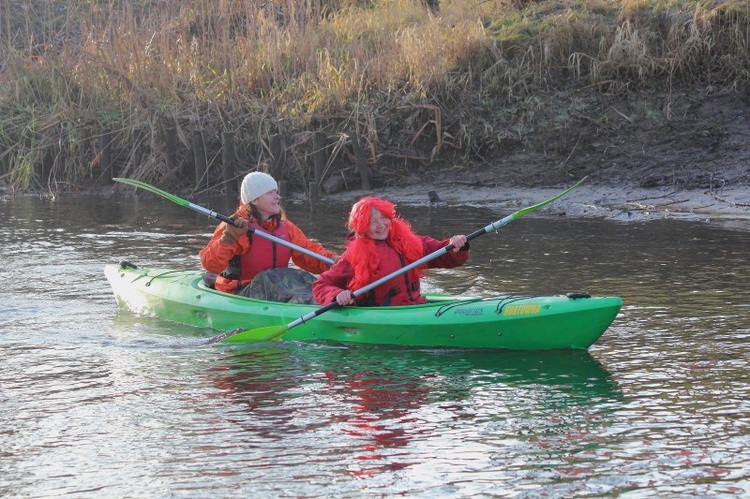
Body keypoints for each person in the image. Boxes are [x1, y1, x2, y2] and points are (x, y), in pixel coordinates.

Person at [200, 171, 338, 300]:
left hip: (275, 288)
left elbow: (309, 253)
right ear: (254, 200)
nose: (277, 196)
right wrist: (228, 238)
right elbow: (211, 265)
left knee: (301, 277)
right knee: (273, 279)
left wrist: (332, 260)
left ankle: (331, 298)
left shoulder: (286, 227)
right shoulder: (235, 228)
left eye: (276, 192)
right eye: (270, 193)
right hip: (242, 291)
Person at [313, 196, 469, 307]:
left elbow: (445, 255)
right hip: (381, 312)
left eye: (383, 218)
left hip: (414, 305)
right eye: (373, 222)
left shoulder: (410, 241)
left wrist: (455, 245)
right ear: (362, 228)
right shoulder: (353, 256)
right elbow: (321, 285)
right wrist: (337, 295)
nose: (381, 225)